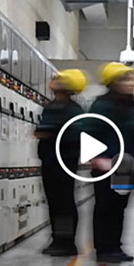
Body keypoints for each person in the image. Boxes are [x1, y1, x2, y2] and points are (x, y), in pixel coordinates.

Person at [85, 62, 134, 263]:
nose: (131, 83)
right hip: (105, 164)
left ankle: (115, 246)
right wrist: (95, 158)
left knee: (119, 207)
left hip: (124, 165)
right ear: (113, 82)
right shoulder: (101, 105)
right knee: (104, 207)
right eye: (126, 79)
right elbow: (89, 132)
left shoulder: (130, 105)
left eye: (131, 78)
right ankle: (103, 249)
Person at [34, 69, 87, 256]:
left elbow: (74, 136)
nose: (54, 80)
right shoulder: (52, 106)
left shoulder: (73, 110)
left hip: (64, 161)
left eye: (59, 79)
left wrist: (49, 133)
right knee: (54, 202)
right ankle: (57, 239)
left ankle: (67, 242)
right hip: (49, 160)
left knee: (64, 202)